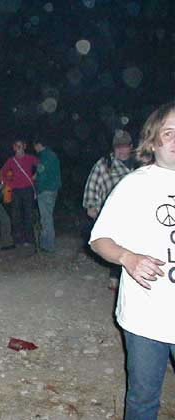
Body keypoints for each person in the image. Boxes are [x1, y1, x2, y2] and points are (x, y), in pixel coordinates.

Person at [89, 102, 175, 420]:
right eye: (169, 132)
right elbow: (99, 239)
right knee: (143, 401)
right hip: (146, 317)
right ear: (153, 141)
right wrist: (127, 257)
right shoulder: (136, 185)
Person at [83, 130, 135, 289]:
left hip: (136, 212)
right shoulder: (105, 164)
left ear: (131, 147)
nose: (122, 150)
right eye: (118, 147)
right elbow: (92, 184)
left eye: (125, 146)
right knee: (117, 244)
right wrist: (91, 206)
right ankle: (115, 275)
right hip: (113, 214)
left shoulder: (140, 163)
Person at [0, 140, 39, 246]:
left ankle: (29, 239)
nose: (18, 148)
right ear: (14, 148)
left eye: (20, 146)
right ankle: (18, 240)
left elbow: (41, 165)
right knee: (16, 216)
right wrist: (9, 183)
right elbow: (2, 172)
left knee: (28, 215)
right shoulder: (11, 160)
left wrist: (36, 175)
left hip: (28, 189)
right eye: (16, 146)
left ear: (24, 146)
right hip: (16, 191)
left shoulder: (30, 158)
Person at [33, 140, 62, 253]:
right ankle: (47, 243)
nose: (35, 149)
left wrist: (37, 190)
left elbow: (42, 175)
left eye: (35, 146)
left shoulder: (44, 156)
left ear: (39, 144)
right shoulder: (52, 155)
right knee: (47, 216)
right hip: (53, 189)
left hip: (45, 190)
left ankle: (47, 245)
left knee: (46, 218)